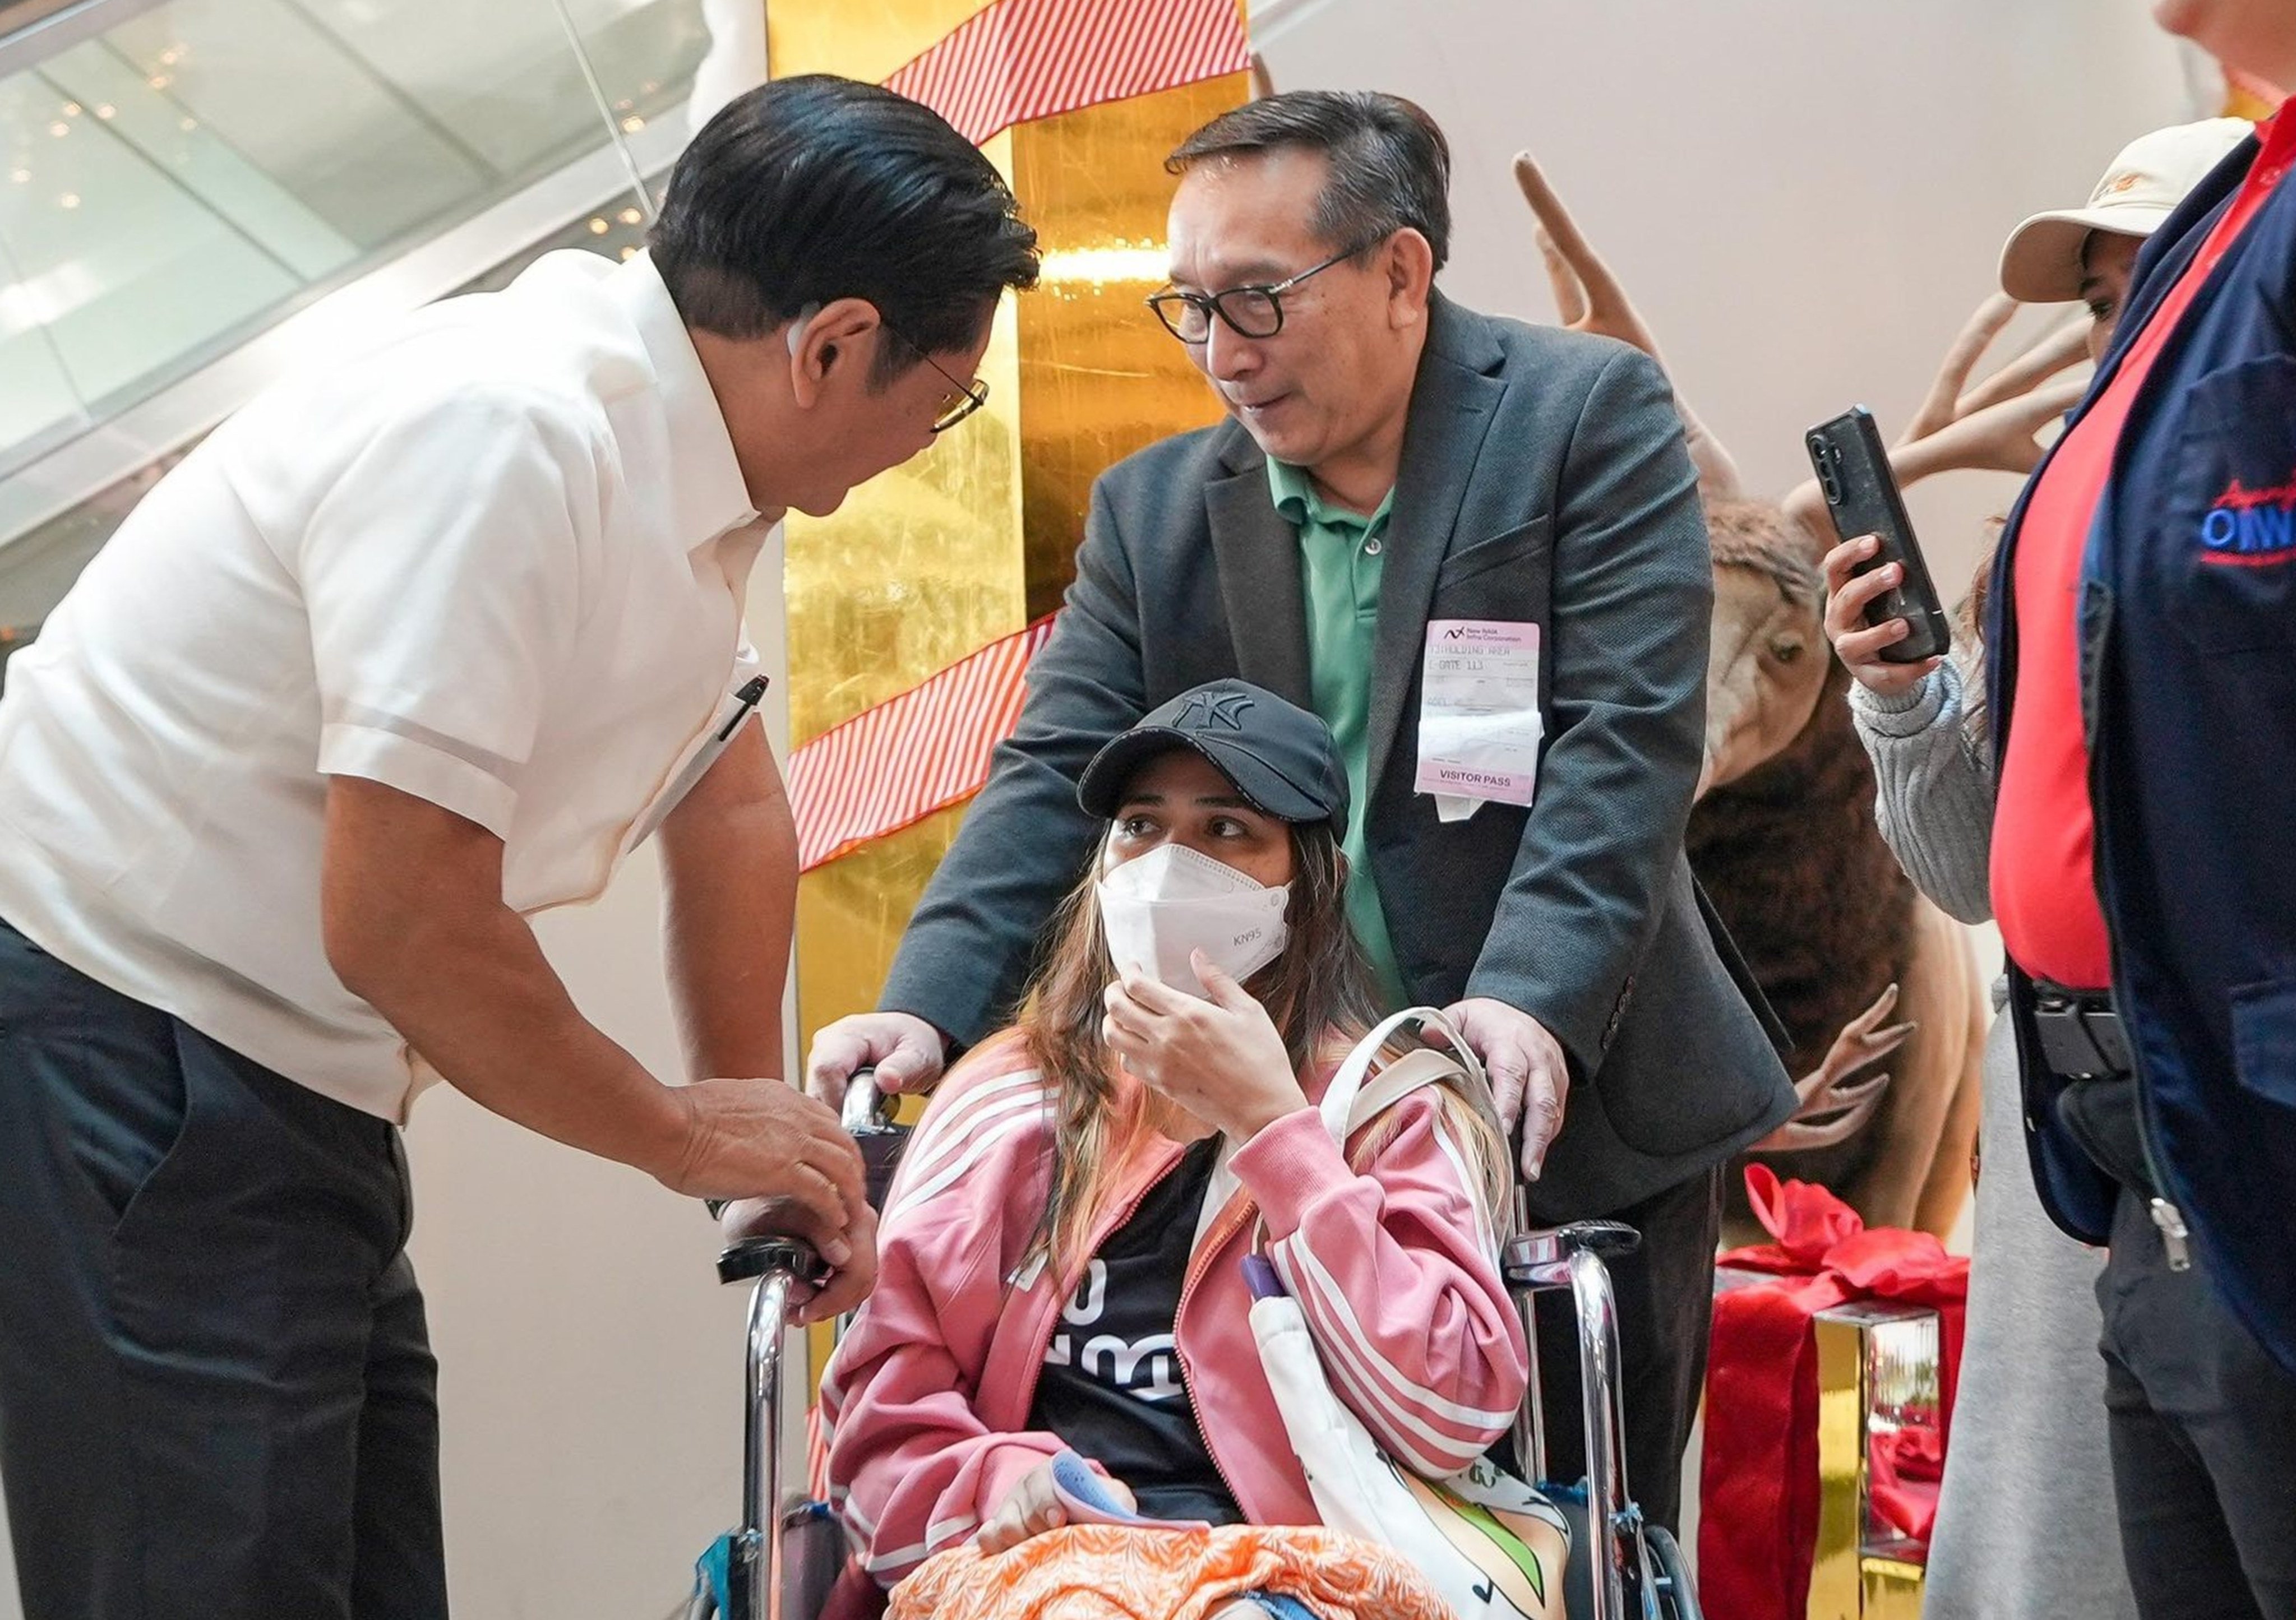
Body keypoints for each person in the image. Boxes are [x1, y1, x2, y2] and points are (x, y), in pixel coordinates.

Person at [0, 75, 1037, 1620]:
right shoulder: (506, 432)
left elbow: (730, 789)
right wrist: (677, 1133)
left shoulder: (670, 442)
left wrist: (751, 1136)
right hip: (136, 1049)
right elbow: (404, 919)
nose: (929, 439)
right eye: (941, 396)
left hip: (297, 1081)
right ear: (830, 347)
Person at [808, 90, 1793, 1529]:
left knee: (1574, 1535)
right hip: (1269, 1133)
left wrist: (1526, 998)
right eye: (1189, 307)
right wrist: (928, 1003)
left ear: (1400, 274)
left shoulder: (1578, 416)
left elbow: (1623, 741)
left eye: (1256, 299)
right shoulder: (1157, 509)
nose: (1221, 353)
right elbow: (1048, 769)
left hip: (1566, 1112)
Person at [1826, 1, 2296, 1599]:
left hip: (2234, 1131)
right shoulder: (2062, 535)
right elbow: (1967, 870)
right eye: (2106, 302)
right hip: (2091, 1171)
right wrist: (1900, 697)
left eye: (2148, 279)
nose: (2123, 328)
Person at [820, 679, 1527, 1613]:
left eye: (1227, 830)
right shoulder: (1005, 1101)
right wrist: (1006, 1482)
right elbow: (873, 1438)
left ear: (1311, 883)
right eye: (1141, 827)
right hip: (1041, 1571)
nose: (1168, 866)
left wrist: (1277, 1131)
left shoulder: (1385, 1106)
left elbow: (1454, 1413)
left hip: (1303, 1569)